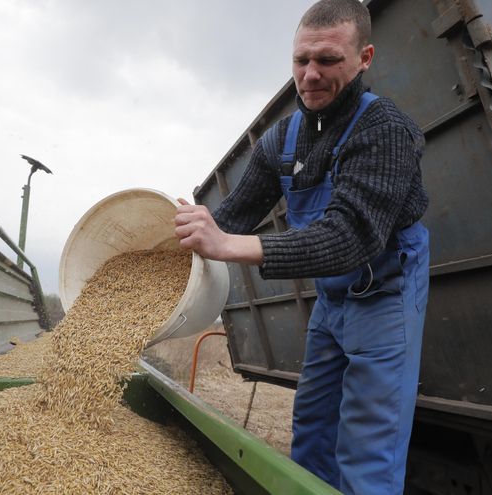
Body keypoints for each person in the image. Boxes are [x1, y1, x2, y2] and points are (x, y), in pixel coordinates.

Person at [174, 0, 429, 493]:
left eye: (328, 60)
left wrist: (228, 245)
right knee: (311, 430)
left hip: (385, 293)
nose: (310, 76)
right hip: (331, 301)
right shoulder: (283, 139)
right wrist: (181, 238)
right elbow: (230, 216)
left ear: (365, 57)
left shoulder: (386, 131)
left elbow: (348, 237)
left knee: (366, 453)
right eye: (300, 60)